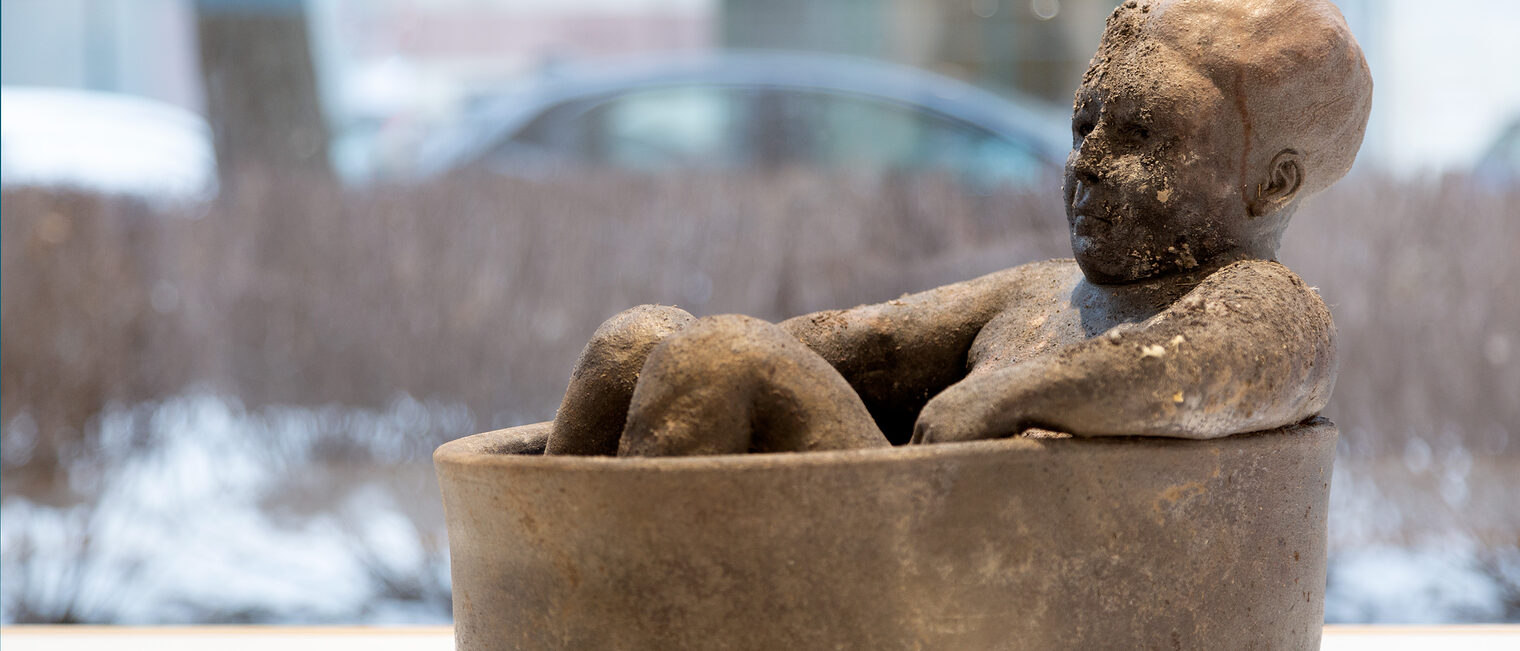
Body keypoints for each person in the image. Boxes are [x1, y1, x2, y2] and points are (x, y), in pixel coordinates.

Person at [546, 0, 1373, 457]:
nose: (1086, 162)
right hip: (923, 524)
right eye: (1085, 126)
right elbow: (851, 343)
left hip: (978, 575)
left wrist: (1003, 397)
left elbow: (1202, 369)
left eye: (1144, 137)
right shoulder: (1047, 292)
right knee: (642, 341)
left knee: (714, 360)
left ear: (1273, 182)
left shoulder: (1270, 305)